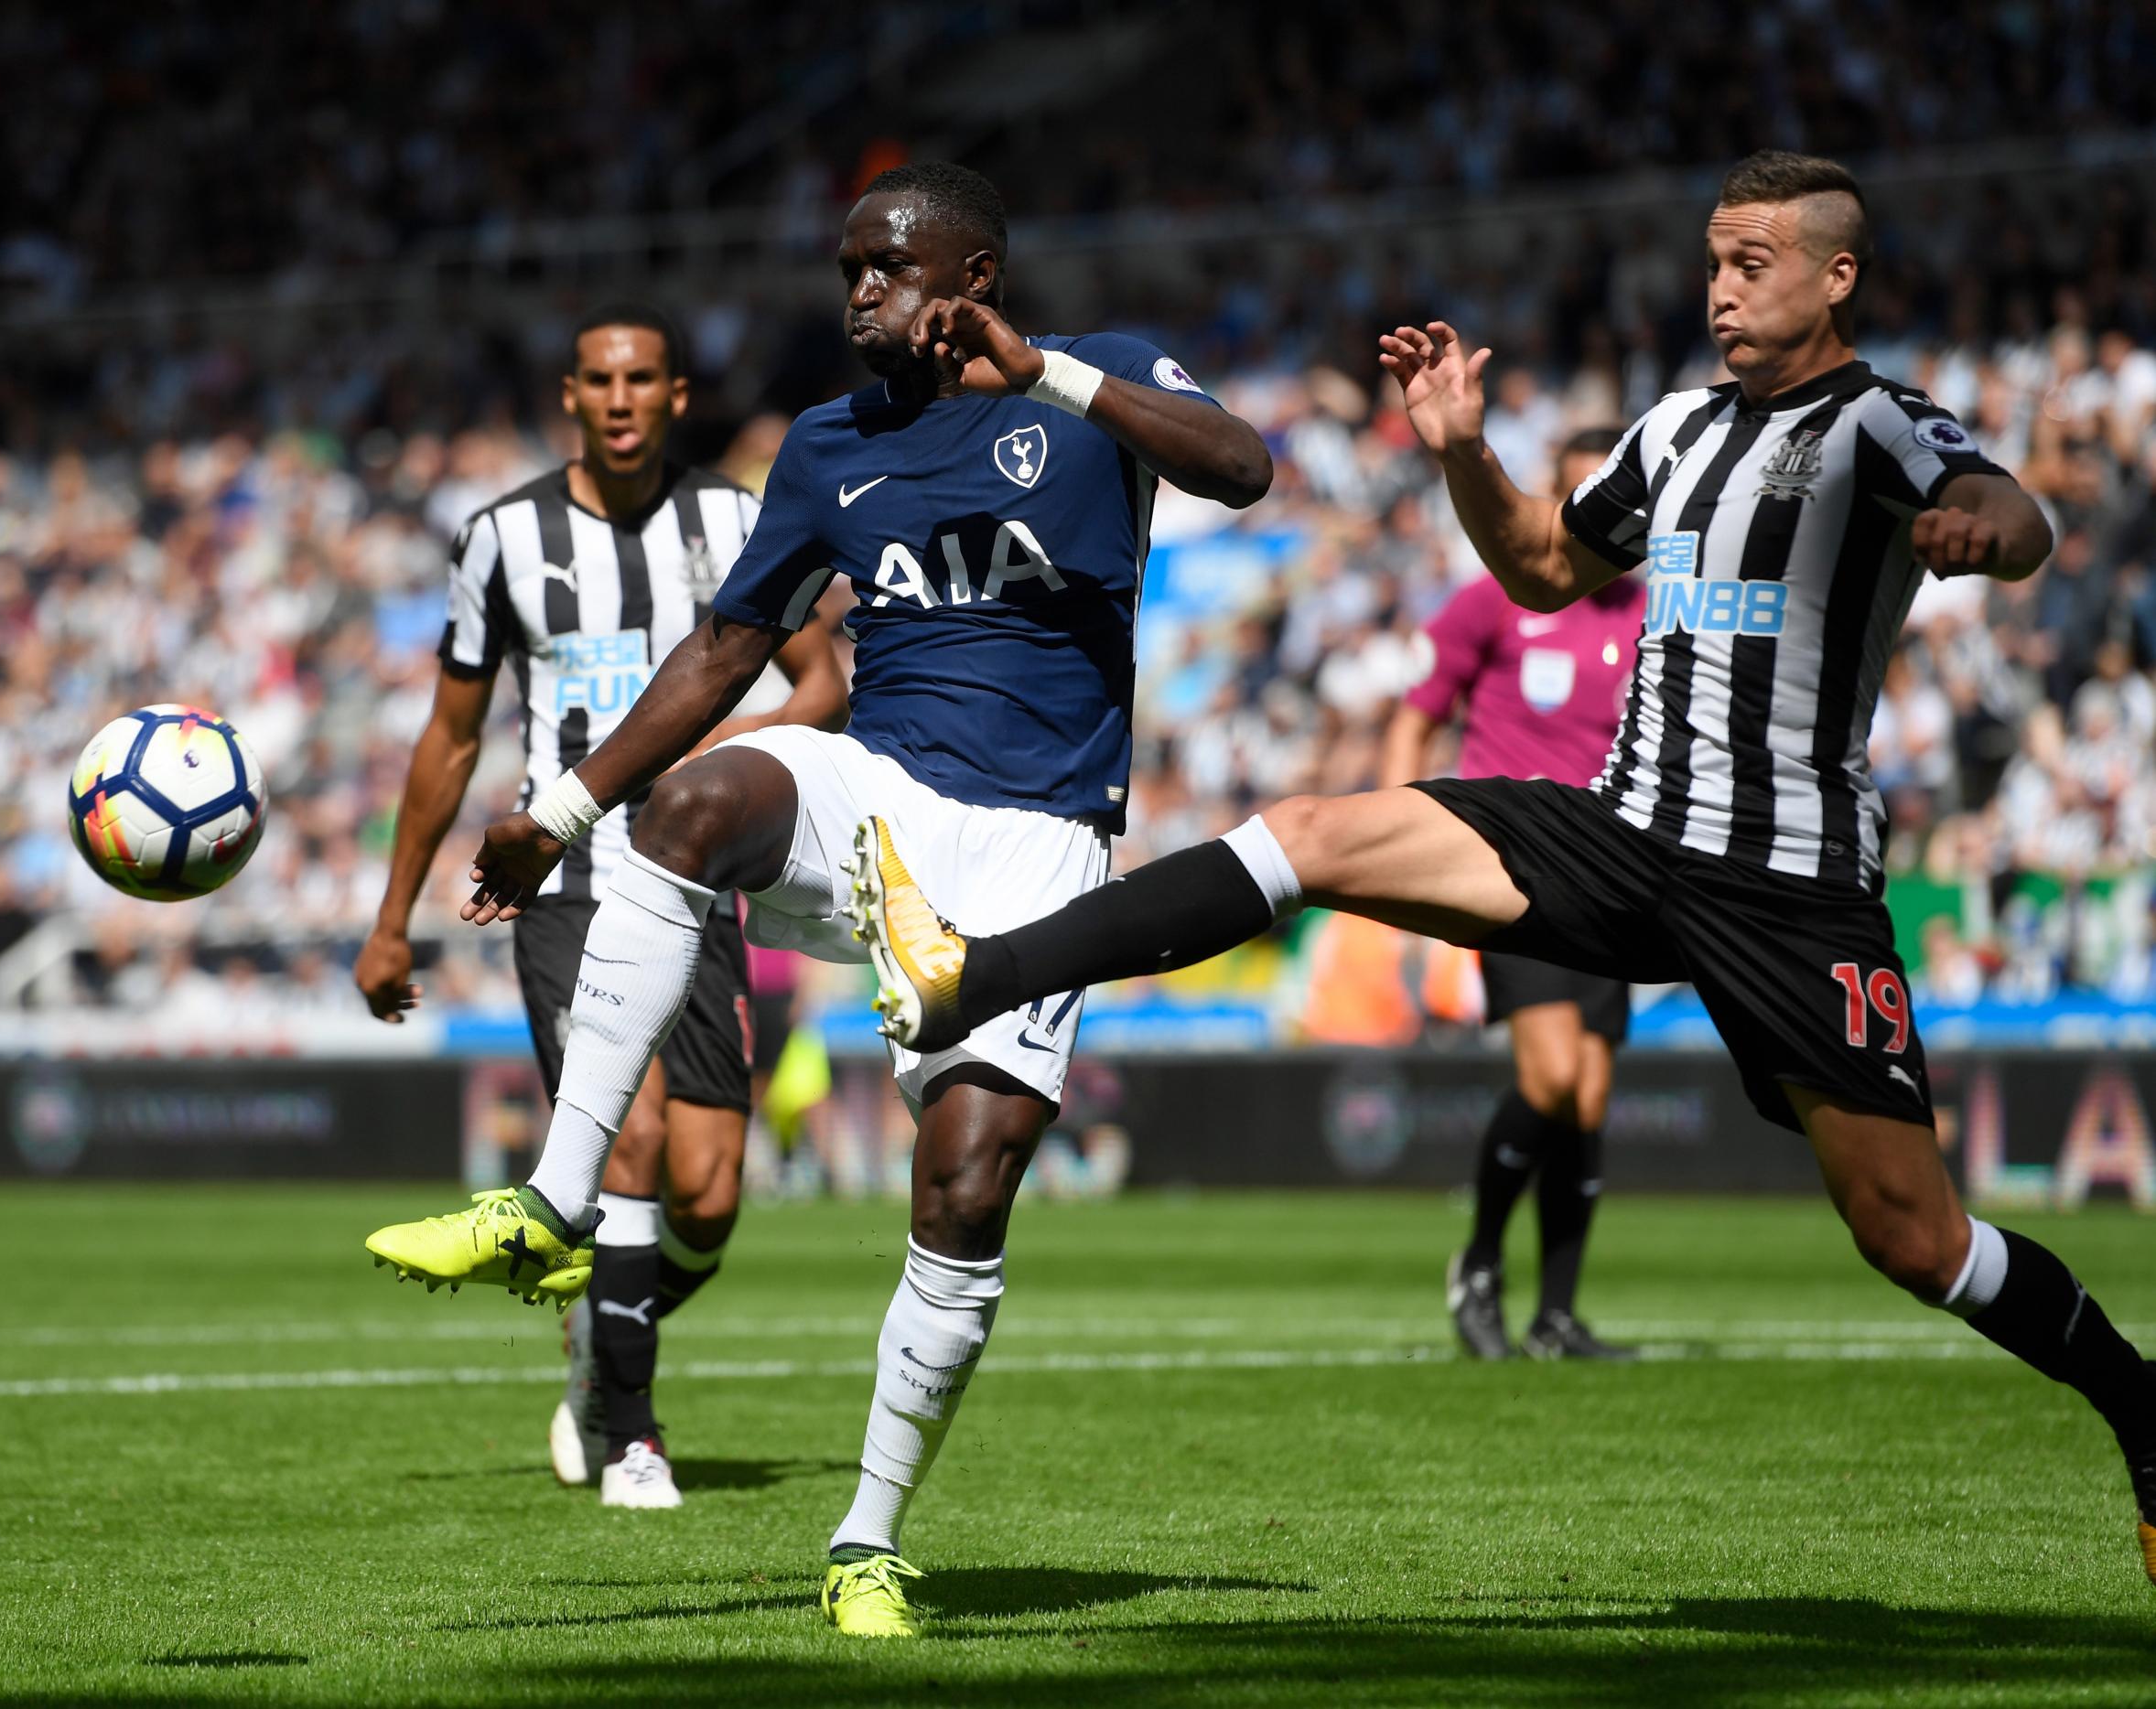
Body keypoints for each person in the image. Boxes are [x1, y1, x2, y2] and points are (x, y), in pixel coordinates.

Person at [854, 151, 2156, 1585]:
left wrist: (1993, 533)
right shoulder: (1672, 431)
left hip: (1791, 888)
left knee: (1915, 1240)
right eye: (1714, 263)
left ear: (1836, 275)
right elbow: (1543, 565)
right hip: (1618, 829)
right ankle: (975, 974)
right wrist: (1464, 451)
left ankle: (2143, 1411)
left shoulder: (1882, 427)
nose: (1721, 290)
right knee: (1315, 831)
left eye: (1755, 264)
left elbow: (2010, 508)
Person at [364, 163, 1271, 1635]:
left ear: (970, 279)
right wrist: (559, 808)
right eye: (847, 267)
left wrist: (1044, 377)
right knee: (697, 803)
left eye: (885, 265)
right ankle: (552, 1199)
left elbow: (1243, 468)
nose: (856, 291)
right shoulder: (827, 445)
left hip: (1042, 846)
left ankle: (865, 1540)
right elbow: (728, 657)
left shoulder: (1097, 378)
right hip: (888, 803)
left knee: (966, 1186)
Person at [354, 303, 846, 1511]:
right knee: (624, 1140)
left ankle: (598, 1326)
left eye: (643, 380)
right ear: (570, 396)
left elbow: (825, 681)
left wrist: (719, 755)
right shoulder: (500, 539)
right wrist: (390, 917)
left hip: (697, 878)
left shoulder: (737, 519)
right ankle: (631, 1428)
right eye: (598, 381)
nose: (620, 399)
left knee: (712, 1189)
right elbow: (454, 734)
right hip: (564, 885)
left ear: (679, 397)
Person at [1380, 425, 1645, 1361]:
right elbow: (1414, 722)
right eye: (1579, 500)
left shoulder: (1649, 616)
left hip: (1617, 875)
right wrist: (1400, 853)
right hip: (1511, 864)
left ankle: (1556, 1314)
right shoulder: (1493, 599)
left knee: (1588, 1097)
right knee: (1550, 1077)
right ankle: (1481, 1263)